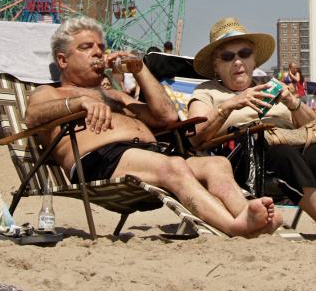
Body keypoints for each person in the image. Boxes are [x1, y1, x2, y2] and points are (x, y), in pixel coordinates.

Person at [24, 17, 281, 238]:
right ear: (63, 60)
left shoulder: (117, 96)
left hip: (149, 155)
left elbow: (166, 117)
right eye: (86, 47)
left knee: (217, 165)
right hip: (97, 161)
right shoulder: (51, 92)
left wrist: (139, 69)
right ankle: (234, 227)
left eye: (101, 47)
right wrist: (77, 103)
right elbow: (33, 117)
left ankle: (248, 215)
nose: (98, 53)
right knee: (174, 166)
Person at [188, 17, 316, 246]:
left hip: (290, 144)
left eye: (244, 53)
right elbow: (195, 136)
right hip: (244, 157)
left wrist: (292, 103)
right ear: (216, 66)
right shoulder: (207, 92)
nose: (237, 61)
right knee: (284, 153)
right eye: (228, 57)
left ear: (253, 59)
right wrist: (229, 105)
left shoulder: (270, 85)